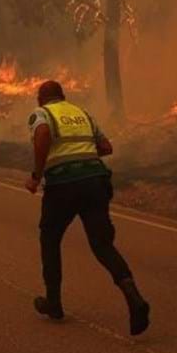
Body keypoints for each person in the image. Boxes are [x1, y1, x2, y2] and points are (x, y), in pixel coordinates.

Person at [24, 80, 150, 335]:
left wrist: (37, 175)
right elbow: (106, 147)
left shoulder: (42, 114)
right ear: (63, 96)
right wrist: (83, 157)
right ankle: (133, 296)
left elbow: (43, 135)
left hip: (62, 185)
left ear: (41, 99)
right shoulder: (83, 114)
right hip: (95, 182)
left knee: (50, 238)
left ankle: (54, 302)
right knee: (102, 245)